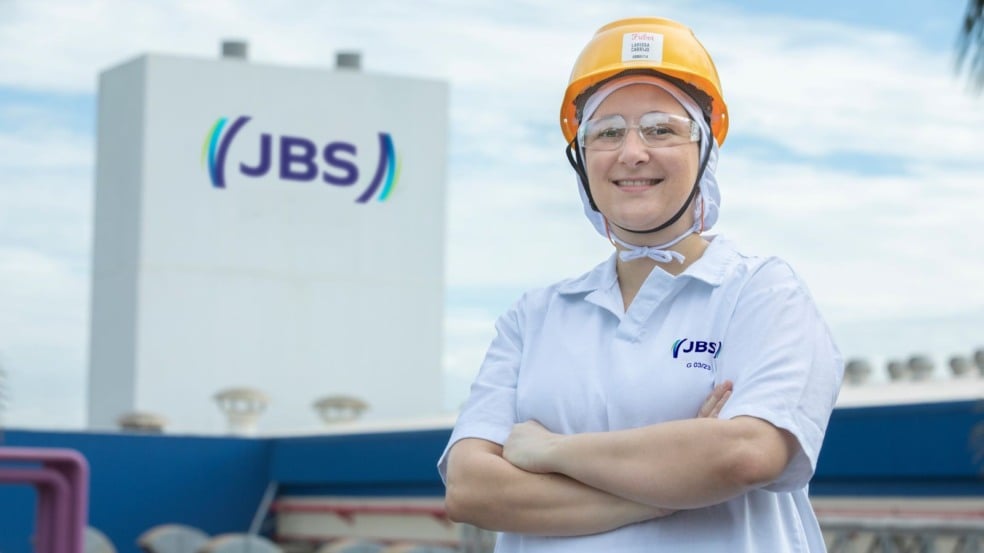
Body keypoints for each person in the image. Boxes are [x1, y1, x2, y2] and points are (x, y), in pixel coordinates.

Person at [438, 16, 844, 552]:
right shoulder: (534, 316)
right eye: (606, 132)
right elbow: (471, 490)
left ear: (705, 152)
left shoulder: (762, 293)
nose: (633, 152)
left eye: (661, 128)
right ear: (582, 160)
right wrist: (676, 486)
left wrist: (546, 451)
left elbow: (745, 454)